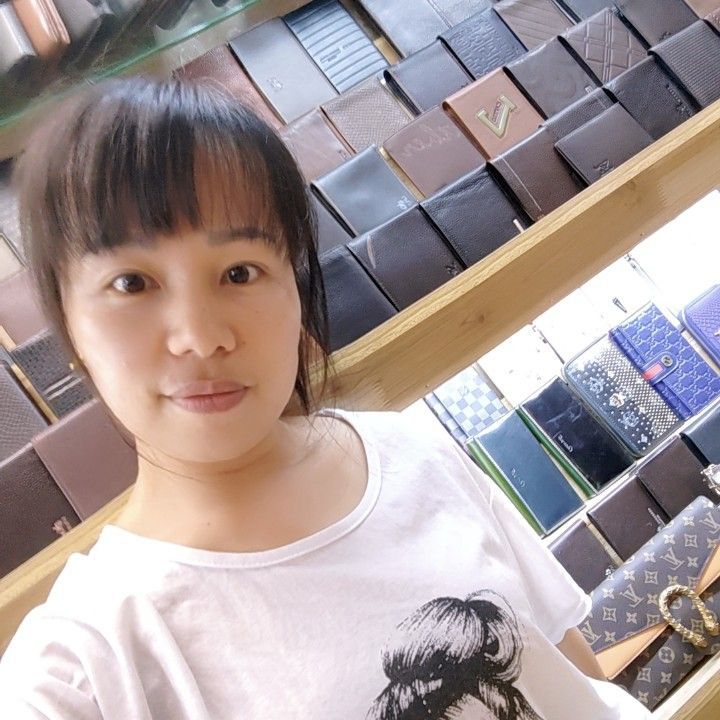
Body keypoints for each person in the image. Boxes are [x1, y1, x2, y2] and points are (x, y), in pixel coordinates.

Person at [0, 77, 651, 719]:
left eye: (239, 272)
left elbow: (575, 681)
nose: (200, 336)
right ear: (70, 329)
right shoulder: (84, 662)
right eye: (132, 283)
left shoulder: (411, 451)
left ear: (294, 286)